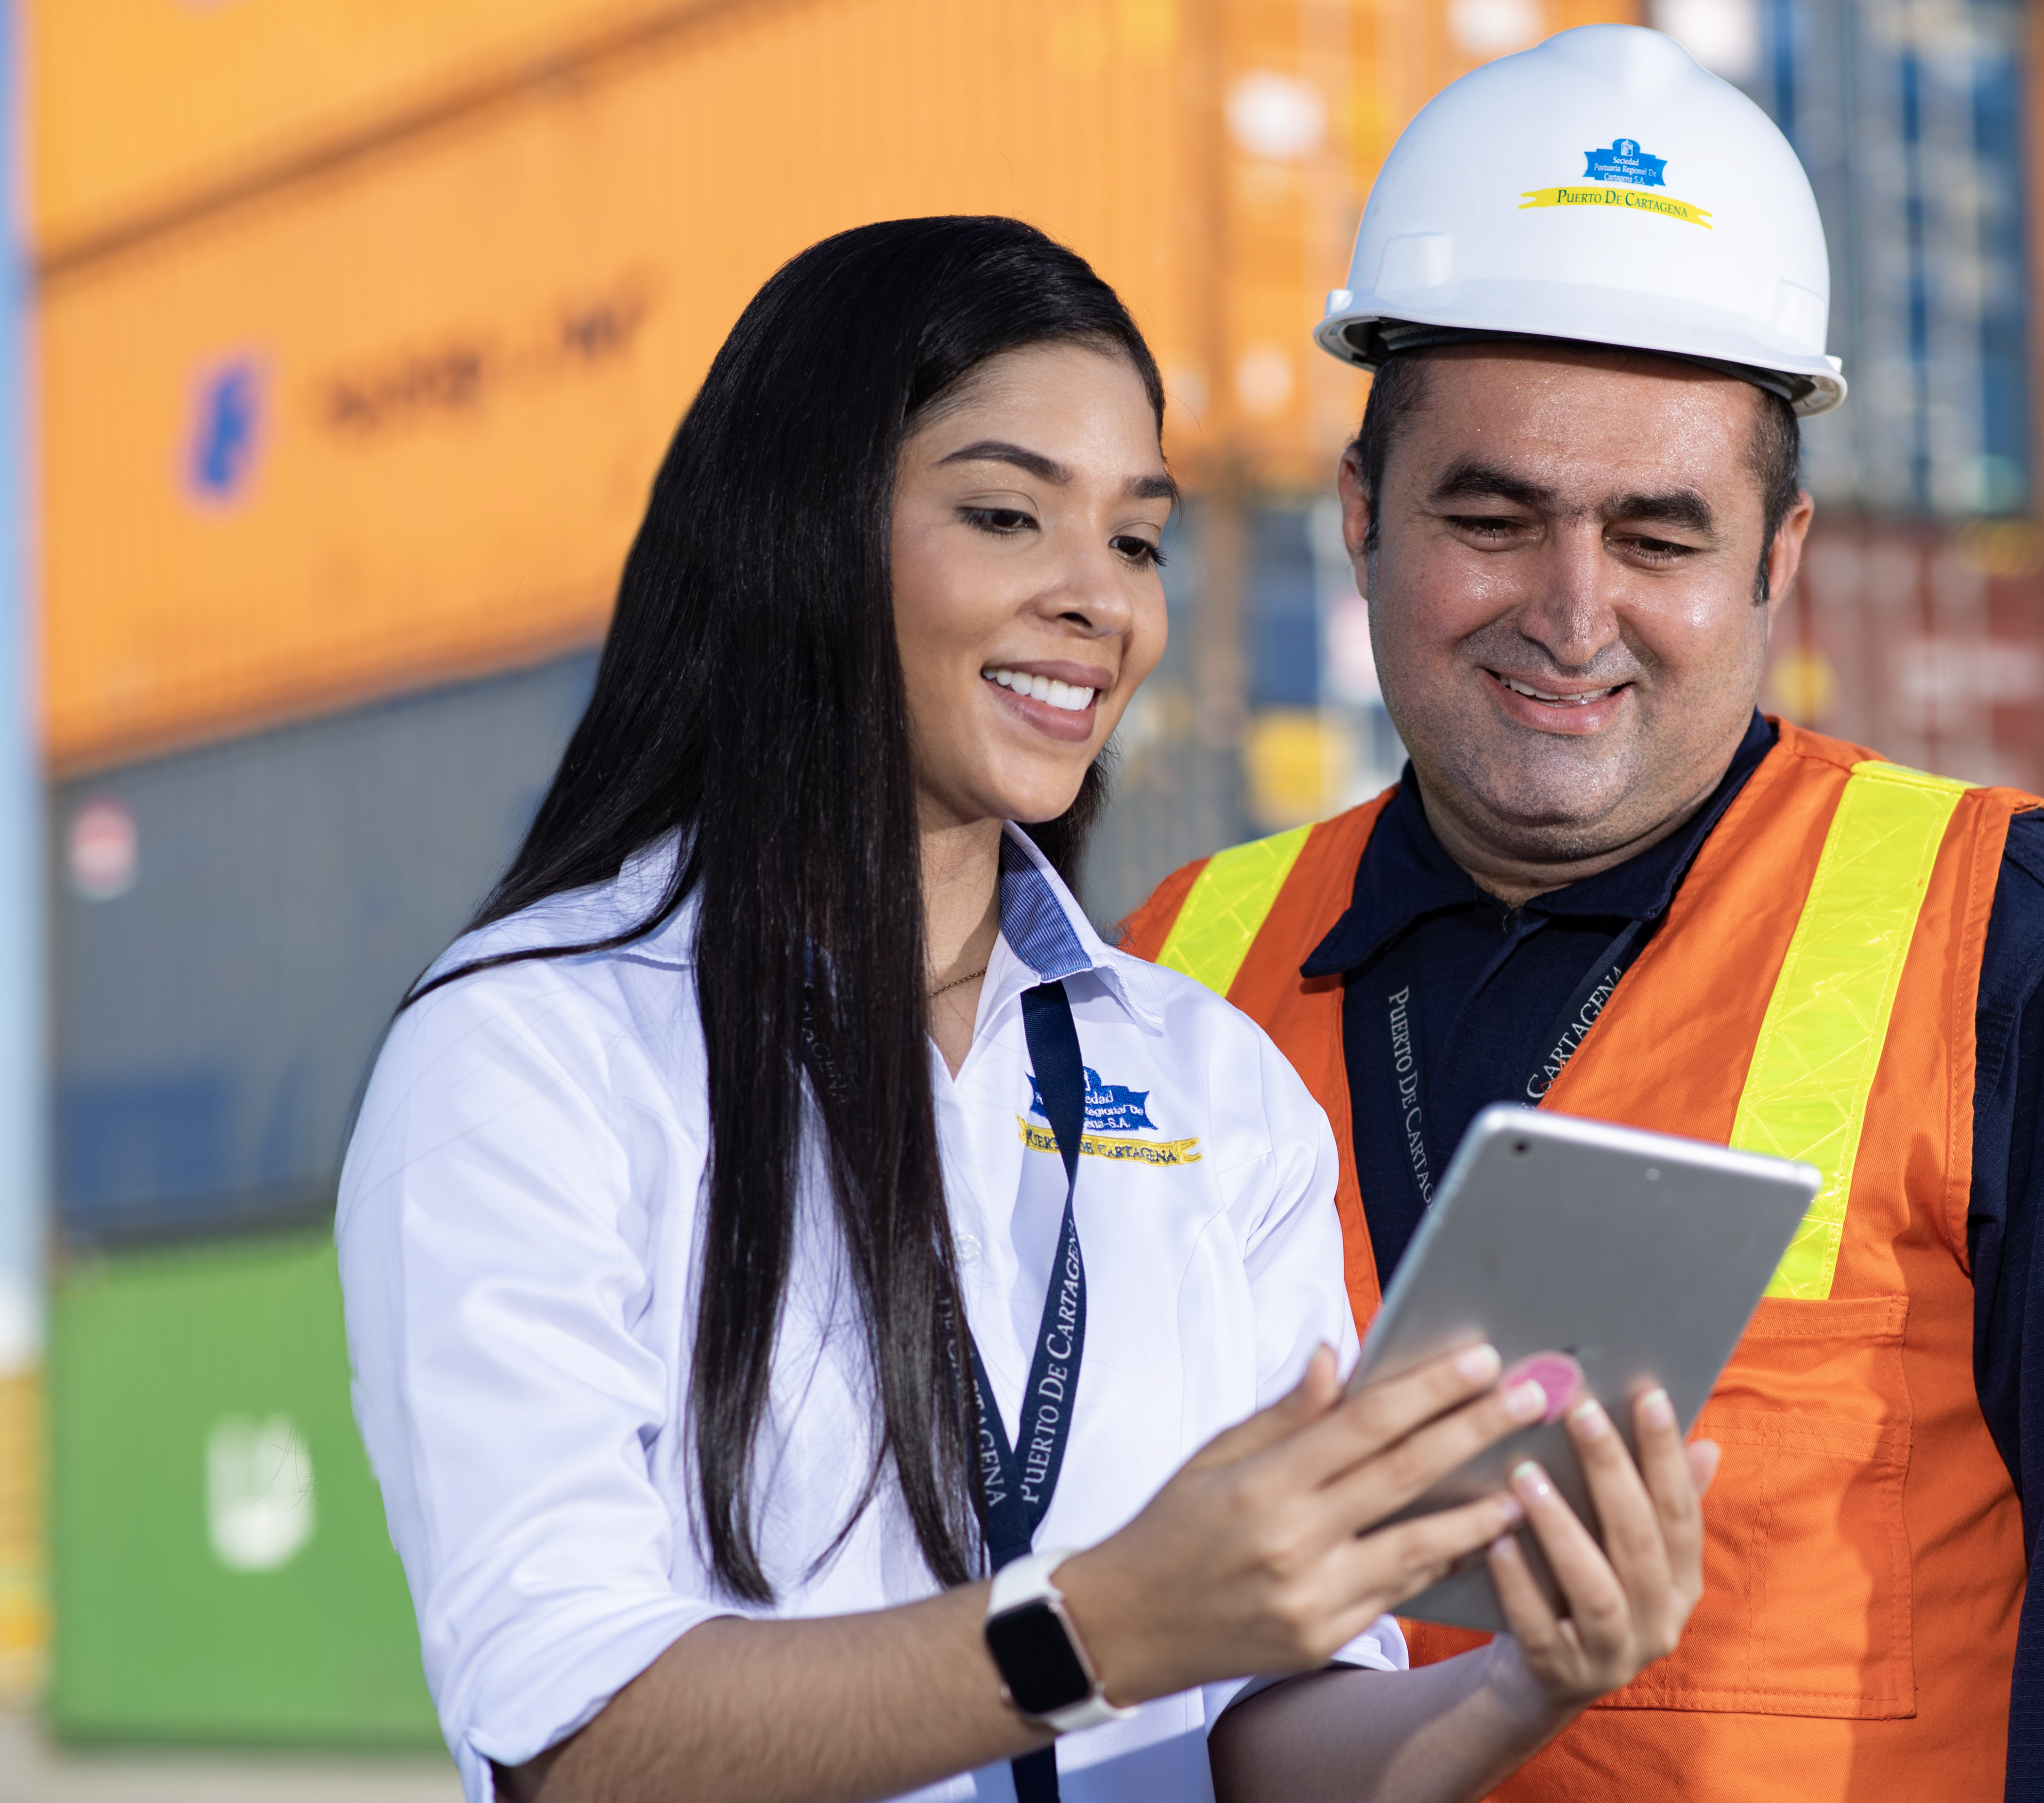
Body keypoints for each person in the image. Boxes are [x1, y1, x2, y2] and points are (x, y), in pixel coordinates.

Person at [335, 216, 1720, 1803]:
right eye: (1007, 515)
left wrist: (1525, 1689)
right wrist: (1107, 1628)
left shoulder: (1213, 1082)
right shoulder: (534, 1052)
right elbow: (574, 1742)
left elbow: (1277, 1742)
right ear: (805, 532)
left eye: (1134, 540)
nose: (1099, 604)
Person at [1119, 27, 2044, 1803]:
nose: (1571, 608)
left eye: (1660, 537)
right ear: (1362, 518)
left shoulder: (2022, 955)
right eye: (1495, 514)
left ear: (1778, 561)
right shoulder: (1167, 971)